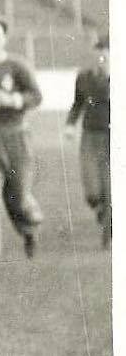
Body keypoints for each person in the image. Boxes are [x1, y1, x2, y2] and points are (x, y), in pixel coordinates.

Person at [0, 15, 45, 268]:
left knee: (18, 197)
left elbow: (36, 96)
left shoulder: (17, 65)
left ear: (4, 38)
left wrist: (15, 100)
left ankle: (29, 228)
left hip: (16, 136)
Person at [65, 33, 110, 247]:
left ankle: (110, 229)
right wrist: (69, 125)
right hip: (91, 137)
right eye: (101, 51)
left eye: (109, 52)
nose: (104, 56)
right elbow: (77, 104)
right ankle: (101, 209)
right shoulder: (84, 78)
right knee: (92, 191)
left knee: (111, 186)